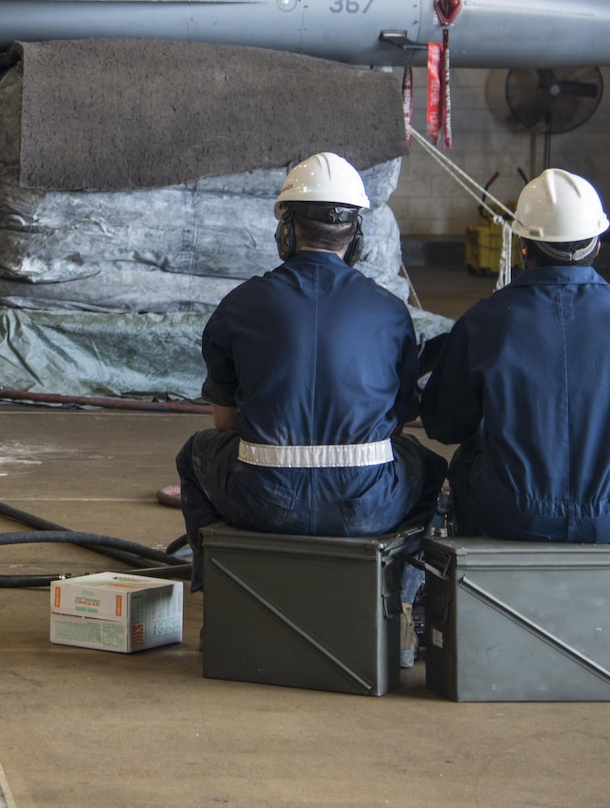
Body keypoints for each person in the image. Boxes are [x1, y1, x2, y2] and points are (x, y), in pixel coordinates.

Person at [175, 153, 445, 568]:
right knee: (428, 467)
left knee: (196, 453)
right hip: (369, 505)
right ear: (357, 236)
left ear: (286, 230)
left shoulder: (241, 305)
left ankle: (224, 584)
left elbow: (224, 424)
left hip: (263, 501)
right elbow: (399, 419)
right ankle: (396, 597)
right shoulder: (392, 312)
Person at [421, 169, 610, 542]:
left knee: (466, 459)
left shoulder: (484, 321)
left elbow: (445, 425)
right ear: (597, 244)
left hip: (510, 514)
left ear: (524, 246)